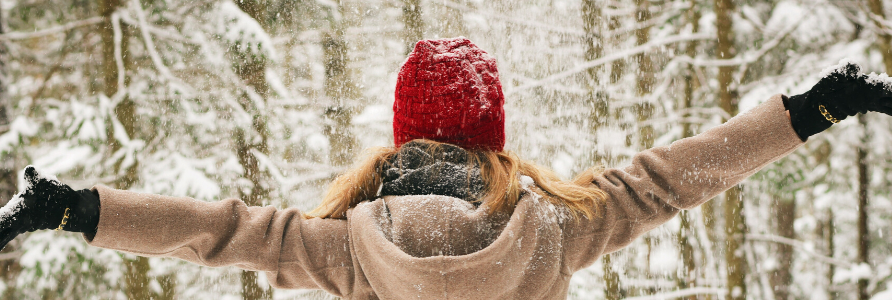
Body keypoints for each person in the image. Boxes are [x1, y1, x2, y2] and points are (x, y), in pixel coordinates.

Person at [0, 37, 890, 299]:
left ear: (397, 142)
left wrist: (78, 207)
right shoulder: (554, 231)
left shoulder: (346, 250)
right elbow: (668, 178)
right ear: (492, 140)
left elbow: (218, 232)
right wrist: (811, 110)